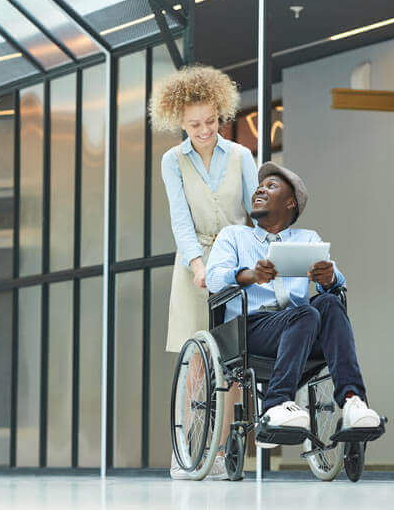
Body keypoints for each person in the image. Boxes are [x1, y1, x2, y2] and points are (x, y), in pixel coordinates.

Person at [205, 161, 380, 450]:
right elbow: (213, 280)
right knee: (306, 314)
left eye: (271, 186)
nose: (260, 188)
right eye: (260, 186)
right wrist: (250, 275)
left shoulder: (307, 239)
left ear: (290, 203)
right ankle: (276, 405)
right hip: (250, 331)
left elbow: (337, 279)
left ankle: (352, 401)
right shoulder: (234, 236)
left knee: (329, 303)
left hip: (302, 327)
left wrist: (330, 276)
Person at [149, 65, 257, 479]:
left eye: (210, 121)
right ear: (179, 120)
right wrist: (197, 265)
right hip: (193, 263)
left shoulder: (242, 156)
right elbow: (180, 220)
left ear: (220, 113)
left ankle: (217, 452)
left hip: (235, 260)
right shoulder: (172, 161)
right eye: (194, 124)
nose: (204, 130)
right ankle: (188, 448)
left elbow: (254, 212)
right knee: (195, 359)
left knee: (229, 363)